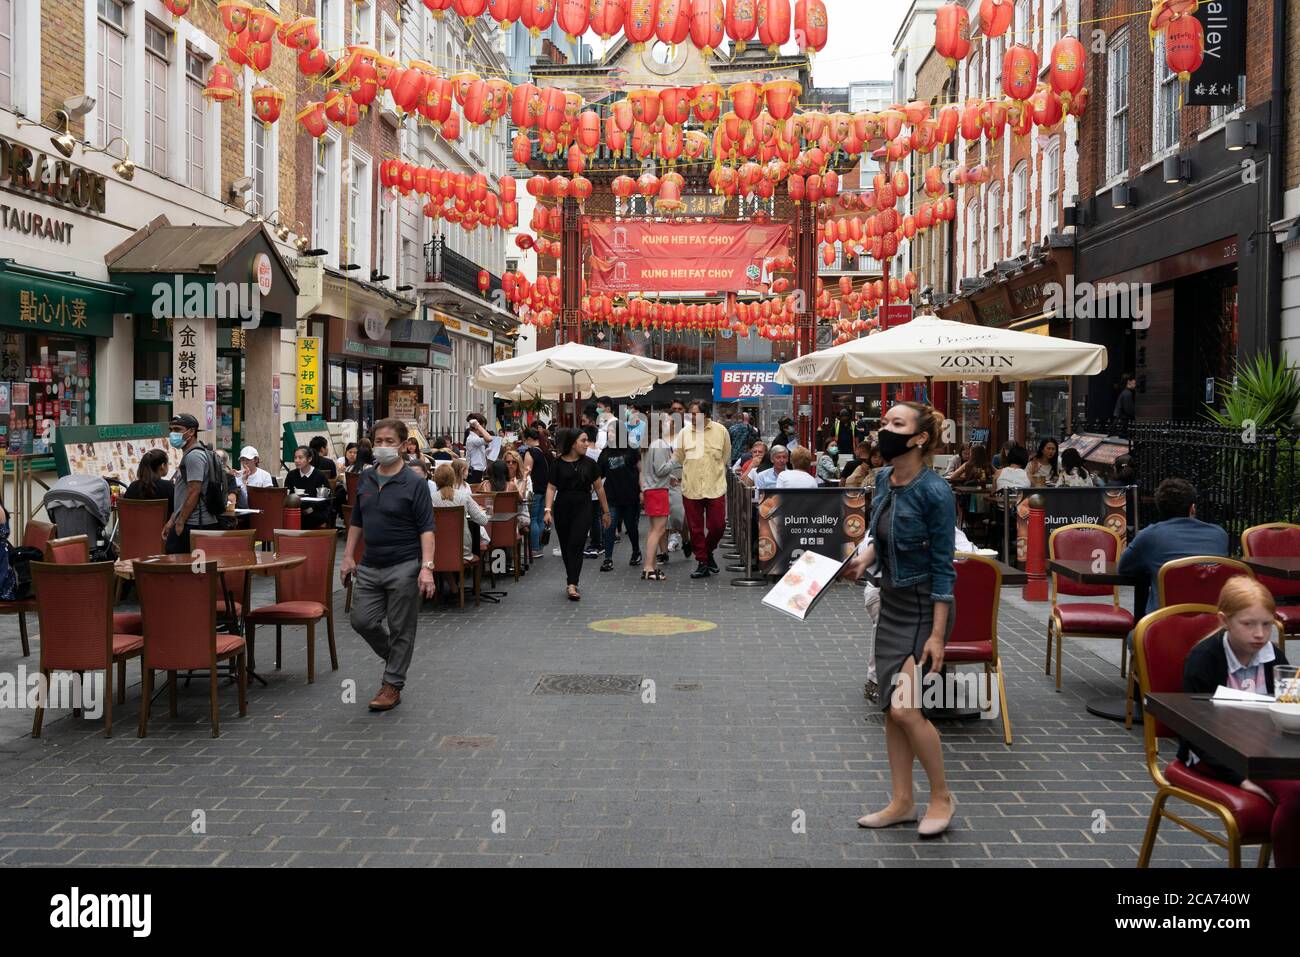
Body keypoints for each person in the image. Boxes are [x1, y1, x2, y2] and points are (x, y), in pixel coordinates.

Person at [844, 402, 957, 837]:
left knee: (907, 710)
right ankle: (902, 801)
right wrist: (863, 559)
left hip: (924, 606)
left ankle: (942, 796)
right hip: (891, 603)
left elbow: (945, 566)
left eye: (896, 424)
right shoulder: (882, 479)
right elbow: (878, 532)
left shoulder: (935, 491)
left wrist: (938, 635)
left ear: (920, 438)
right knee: (892, 710)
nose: (883, 430)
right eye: (884, 422)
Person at [1178, 577, 1298, 868]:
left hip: (1265, 752)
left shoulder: (1275, 658)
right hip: (1215, 753)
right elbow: (1194, 732)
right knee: (1296, 792)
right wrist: (1239, 778)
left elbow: (1286, 710)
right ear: (1225, 620)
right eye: (1248, 624)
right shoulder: (1204, 659)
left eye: (1267, 625)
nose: (1260, 634)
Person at [340, 418, 436, 712]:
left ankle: (392, 683)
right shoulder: (367, 479)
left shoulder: (415, 483)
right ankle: (395, 658)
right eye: (378, 441)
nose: (383, 447)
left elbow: (427, 528)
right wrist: (347, 556)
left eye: (389, 442)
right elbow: (357, 519)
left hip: (404, 564)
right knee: (362, 620)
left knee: (400, 626)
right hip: (370, 564)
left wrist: (426, 567)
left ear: (404, 445)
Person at [1119, 477, 1230, 615]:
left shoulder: (1149, 535)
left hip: (1165, 624)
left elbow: (1123, 568)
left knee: (1132, 636)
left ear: (1160, 509)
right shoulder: (1219, 534)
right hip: (1212, 624)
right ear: (1193, 508)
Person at [544, 428, 611, 602]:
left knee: (576, 543)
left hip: (584, 506)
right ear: (573, 443)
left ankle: (573, 583)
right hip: (562, 507)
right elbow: (551, 487)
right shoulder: (557, 464)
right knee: (566, 546)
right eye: (583, 441)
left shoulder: (590, 463)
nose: (586, 444)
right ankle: (570, 578)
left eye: (587, 440)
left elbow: (599, 488)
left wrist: (606, 512)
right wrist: (547, 510)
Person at [675, 401, 731, 579]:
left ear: (705, 415)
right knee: (695, 528)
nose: (691, 417)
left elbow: (725, 457)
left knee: (718, 526)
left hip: (715, 486)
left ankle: (707, 551)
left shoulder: (721, 431)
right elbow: (680, 457)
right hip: (691, 487)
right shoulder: (684, 433)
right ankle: (702, 562)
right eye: (690, 414)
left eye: (695, 414)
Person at [162, 413, 222, 554]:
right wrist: (172, 520)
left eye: (177, 429)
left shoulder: (194, 456)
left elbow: (194, 491)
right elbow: (184, 493)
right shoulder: (193, 454)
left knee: (185, 569)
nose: (173, 434)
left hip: (194, 523)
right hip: (191, 522)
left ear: (192, 431)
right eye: (171, 430)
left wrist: (180, 521)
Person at [640, 416, 678, 581]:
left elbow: (650, 469)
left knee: (654, 530)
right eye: (667, 421)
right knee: (658, 530)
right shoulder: (660, 444)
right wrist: (675, 459)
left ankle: (652, 566)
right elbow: (660, 469)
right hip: (658, 490)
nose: (670, 423)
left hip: (651, 489)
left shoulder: (648, 443)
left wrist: (669, 476)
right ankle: (648, 567)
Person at [598, 433, 642, 571]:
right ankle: (608, 559)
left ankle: (636, 552)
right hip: (611, 495)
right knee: (609, 527)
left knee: (631, 526)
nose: (609, 434)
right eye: (608, 432)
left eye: (613, 432)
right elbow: (599, 473)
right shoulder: (605, 452)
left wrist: (642, 490)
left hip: (630, 495)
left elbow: (641, 470)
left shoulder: (631, 449)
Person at [430, 462, 488, 560]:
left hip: (437, 549)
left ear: (436, 480)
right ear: (453, 478)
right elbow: (483, 520)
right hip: (463, 549)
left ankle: (447, 575)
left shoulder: (430, 498)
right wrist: (481, 510)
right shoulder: (464, 496)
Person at [284, 446, 333, 530]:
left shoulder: (319, 475)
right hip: (296, 509)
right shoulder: (291, 475)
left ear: (309, 459)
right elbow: (287, 494)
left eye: (300, 458)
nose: (297, 460)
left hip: (315, 510)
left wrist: (310, 509)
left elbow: (326, 500)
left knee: (312, 517)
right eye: (295, 458)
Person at [520, 428, 550, 561]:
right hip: (545, 489)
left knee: (532, 519)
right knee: (540, 519)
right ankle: (540, 547)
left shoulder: (530, 452)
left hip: (535, 489)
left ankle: (534, 548)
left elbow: (527, 471)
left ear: (529, 439)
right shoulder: (545, 451)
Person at [464, 413, 492, 484]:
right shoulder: (472, 438)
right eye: (484, 427)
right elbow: (489, 438)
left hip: (478, 471)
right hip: (474, 471)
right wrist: (478, 425)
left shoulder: (475, 438)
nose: (484, 429)